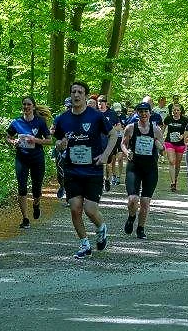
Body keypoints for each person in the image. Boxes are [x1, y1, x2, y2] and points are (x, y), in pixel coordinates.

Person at [53, 81, 120, 259]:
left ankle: (101, 228)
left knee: (90, 209)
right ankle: (84, 244)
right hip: (72, 170)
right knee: (75, 208)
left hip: (93, 170)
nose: (76, 95)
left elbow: (113, 134)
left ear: (85, 95)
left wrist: (105, 155)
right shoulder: (62, 119)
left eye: (80, 92)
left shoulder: (96, 116)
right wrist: (60, 145)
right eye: (73, 91)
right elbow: (58, 143)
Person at [6, 96, 52, 229]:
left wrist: (35, 140)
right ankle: (25, 218)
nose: (26, 107)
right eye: (24, 104)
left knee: (36, 189)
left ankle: (36, 204)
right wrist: (13, 142)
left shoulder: (40, 122)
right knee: (22, 188)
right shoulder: (16, 122)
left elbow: (49, 141)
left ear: (33, 106)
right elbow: (8, 137)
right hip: (21, 159)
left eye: (29, 104)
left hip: (37, 158)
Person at [121, 102, 164, 239]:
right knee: (133, 199)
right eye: (141, 112)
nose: (144, 114)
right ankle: (131, 217)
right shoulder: (130, 128)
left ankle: (140, 228)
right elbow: (123, 143)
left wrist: (159, 145)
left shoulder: (156, 129)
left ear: (150, 113)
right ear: (137, 113)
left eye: (146, 111)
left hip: (150, 168)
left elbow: (162, 148)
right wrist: (127, 152)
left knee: (145, 201)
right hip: (134, 167)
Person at [97, 95, 121, 191]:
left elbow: (119, 127)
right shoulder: (95, 113)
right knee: (98, 162)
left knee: (107, 163)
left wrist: (109, 130)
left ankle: (107, 179)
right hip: (97, 142)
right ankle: (100, 181)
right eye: (99, 102)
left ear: (106, 103)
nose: (100, 104)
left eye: (102, 102)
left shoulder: (112, 113)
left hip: (109, 142)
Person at [163, 104, 187, 191]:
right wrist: (160, 138)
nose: (175, 112)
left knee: (177, 163)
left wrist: (183, 136)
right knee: (171, 161)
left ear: (180, 111)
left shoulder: (185, 120)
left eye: (177, 110)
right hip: (169, 142)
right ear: (172, 110)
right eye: (174, 110)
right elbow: (163, 128)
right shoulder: (168, 118)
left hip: (180, 144)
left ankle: (175, 179)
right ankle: (172, 183)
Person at [53, 96, 72, 198]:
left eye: (71, 106)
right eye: (67, 107)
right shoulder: (59, 118)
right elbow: (52, 130)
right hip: (61, 148)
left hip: (74, 148)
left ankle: (70, 194)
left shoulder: (79, 118)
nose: (69, 109)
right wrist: (60, 138)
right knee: (60, 170)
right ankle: (62, 185)